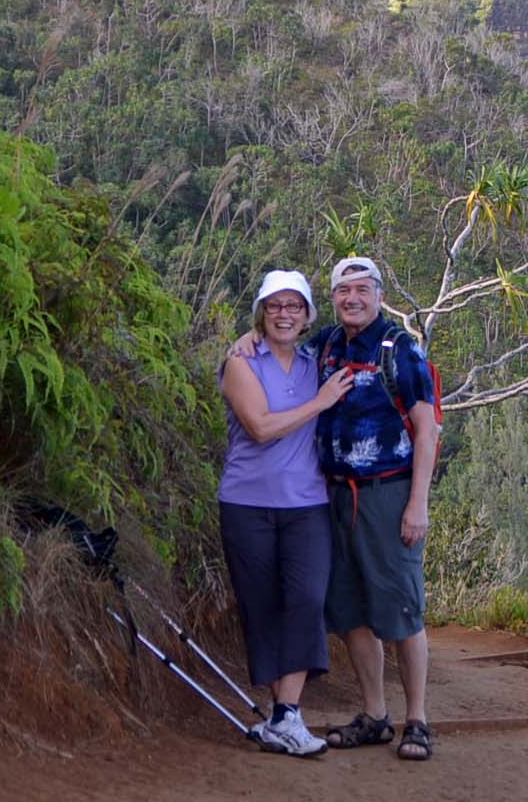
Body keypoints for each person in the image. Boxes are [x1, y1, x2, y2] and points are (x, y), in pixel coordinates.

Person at [217, 269, 355, 757]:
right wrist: (320, 403)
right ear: (261, 312)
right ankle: (283, 718)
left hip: (307, 505)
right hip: (247, 503)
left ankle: (286, 716)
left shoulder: (316, 360)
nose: (283, 314)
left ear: (306, 315)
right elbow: (258, 426)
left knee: (305, 601)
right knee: (262, 608)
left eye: (293, 306)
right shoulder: (242, 362)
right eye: (274, 306)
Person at [311, 256, 441, 763]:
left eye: (362, 290)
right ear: (335, 296)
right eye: (345, 290)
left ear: (378, 294)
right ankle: (375, 714)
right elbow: (278, 347)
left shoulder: (400, 349)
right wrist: (247, 341)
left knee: (402, 610)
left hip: (389, 493)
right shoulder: (324, 346)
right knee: (350, 610)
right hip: (337, 493)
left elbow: (426, 430)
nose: (353, 299)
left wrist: (417, 506)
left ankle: (419, 720)